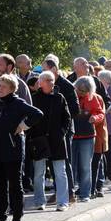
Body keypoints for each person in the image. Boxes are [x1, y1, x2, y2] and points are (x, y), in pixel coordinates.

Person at [0, 74, 43, 221]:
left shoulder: (17, 102)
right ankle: (2, 216)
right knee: (0, 185)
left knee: (14, 185)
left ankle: (17, 218)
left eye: (4, 86)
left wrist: (23, 125)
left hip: (13, 150)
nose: (0, 89)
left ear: (12, 89)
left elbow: (38, 114)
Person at [28, 71, 71, 211]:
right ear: (40, 83)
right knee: (39, 173)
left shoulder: (60, 97)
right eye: (47, 80)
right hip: (39, 140)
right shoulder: (34, 98)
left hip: (57, 140)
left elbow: (67, 118)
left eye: (52, 80)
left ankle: (62, 202)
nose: (50, 82)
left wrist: (62, 133)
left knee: (60, 172)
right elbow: (30, 119)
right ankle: (40, 201)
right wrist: (33, 137)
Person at [42, 58, 79, 203]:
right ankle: (59, 191)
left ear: (53, 69)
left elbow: (75, 110)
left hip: (64, 130)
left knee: (64, 160)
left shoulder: (66, 86)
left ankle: (69, 193)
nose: (42, 73)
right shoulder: (43, 85)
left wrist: (61, 123)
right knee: (52, 161)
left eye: (45, 70)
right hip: (48, 131)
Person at [72, 76, 105, 201]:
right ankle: (71, 192)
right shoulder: (71, 96)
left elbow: (100, 113)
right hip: (72, 135)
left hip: (88, 136)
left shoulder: (95, 98)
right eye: (79, 90)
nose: (81, 92)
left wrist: (94, 118)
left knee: (86, 166)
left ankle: (85, 193)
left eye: (85, 91)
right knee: (71, 165)